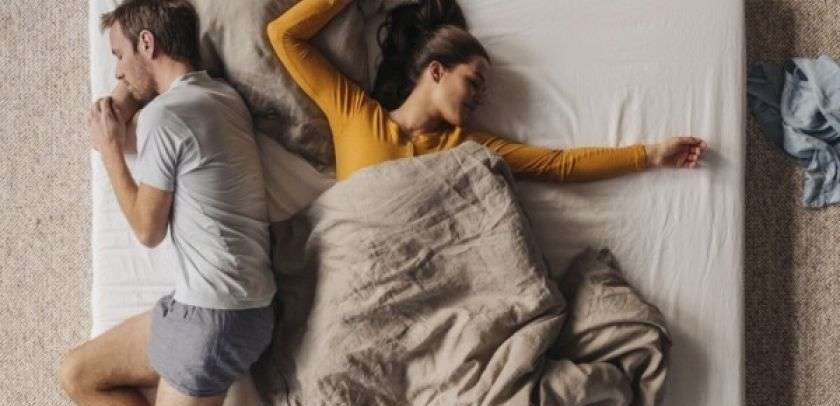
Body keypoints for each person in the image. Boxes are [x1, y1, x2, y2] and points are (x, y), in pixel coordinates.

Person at [57, 0, 277, 406]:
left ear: (147, 43)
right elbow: (117, 120)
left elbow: (147, 229)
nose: (117, 72)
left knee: (77, 376)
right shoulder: (222, 98)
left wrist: (111, 151)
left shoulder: (166, 116)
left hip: (211, 319)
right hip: (231, 311)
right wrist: (129, 85)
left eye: (119, 55)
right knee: (76, 372)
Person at [266, 0, 707, 183]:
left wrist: (649, 155)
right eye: (473, 82)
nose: (480, 97)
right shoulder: (355, 113)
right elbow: (284, 36)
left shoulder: (469, 147)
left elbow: (557, 165)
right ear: (436, 72)